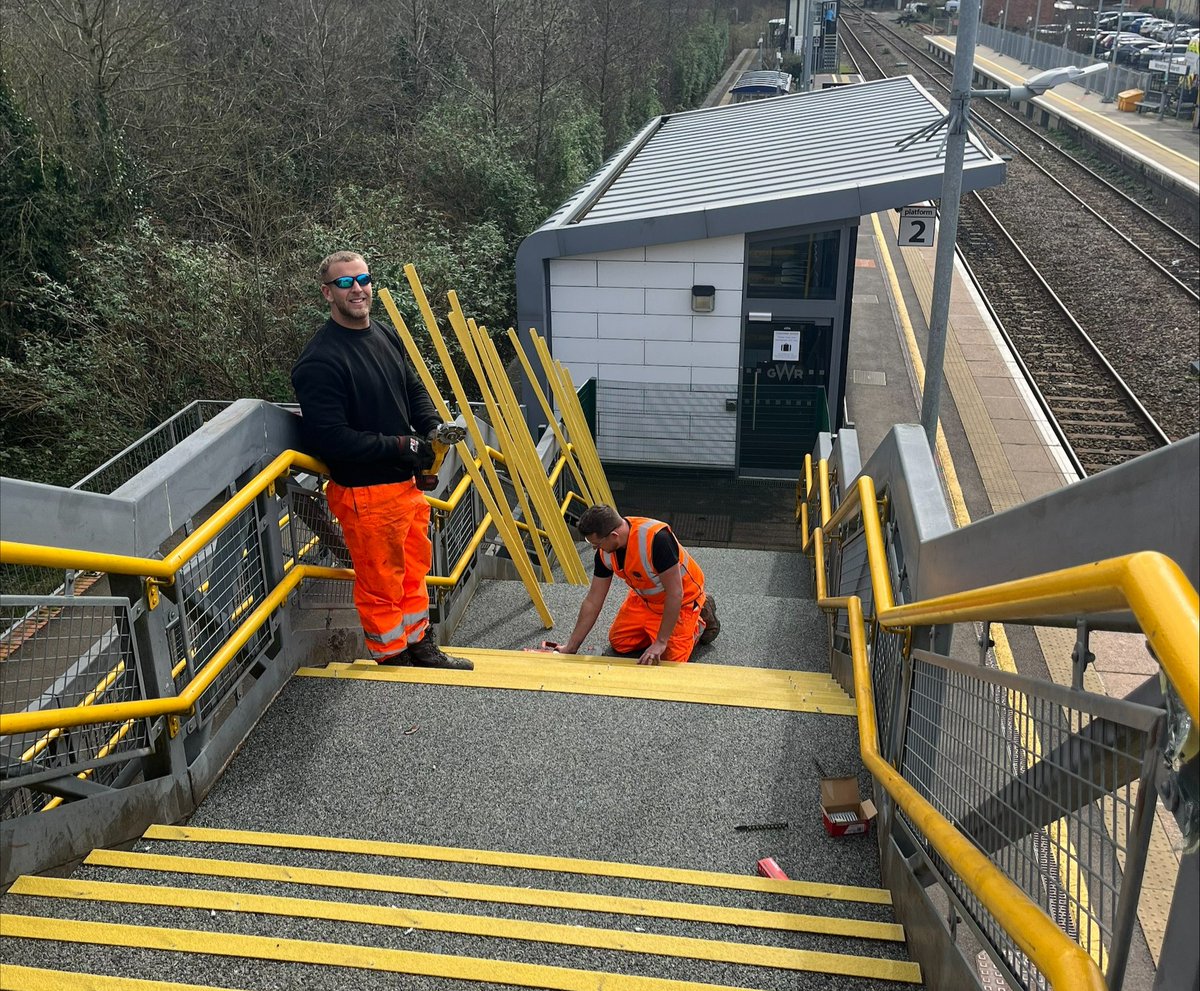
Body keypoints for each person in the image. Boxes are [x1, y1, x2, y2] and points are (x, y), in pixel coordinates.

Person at [291, 251, 472, 670]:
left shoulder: (383, 333)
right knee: (380, 583)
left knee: (412, 573)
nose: (356, 288)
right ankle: (392, 659)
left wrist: (429, 428)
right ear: (327, 293)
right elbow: (331, 440)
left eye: (363, 279)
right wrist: (401, 447)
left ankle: (420, 648)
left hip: (403, 487)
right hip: (365, 492)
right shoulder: (320, 360)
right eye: (344, 283)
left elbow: (411, 388)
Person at [553, 505, 720, 665]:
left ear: (614, 535)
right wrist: (571, 647)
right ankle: (658, 631)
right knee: (620, 642)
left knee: (669, 658)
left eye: (596, 543)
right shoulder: (606, 552)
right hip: (645, 598)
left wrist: (661, 642)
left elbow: (675, 593)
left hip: (683, 600)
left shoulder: (657, 540)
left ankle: (700, 618)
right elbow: (593, 600)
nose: (595, 548)